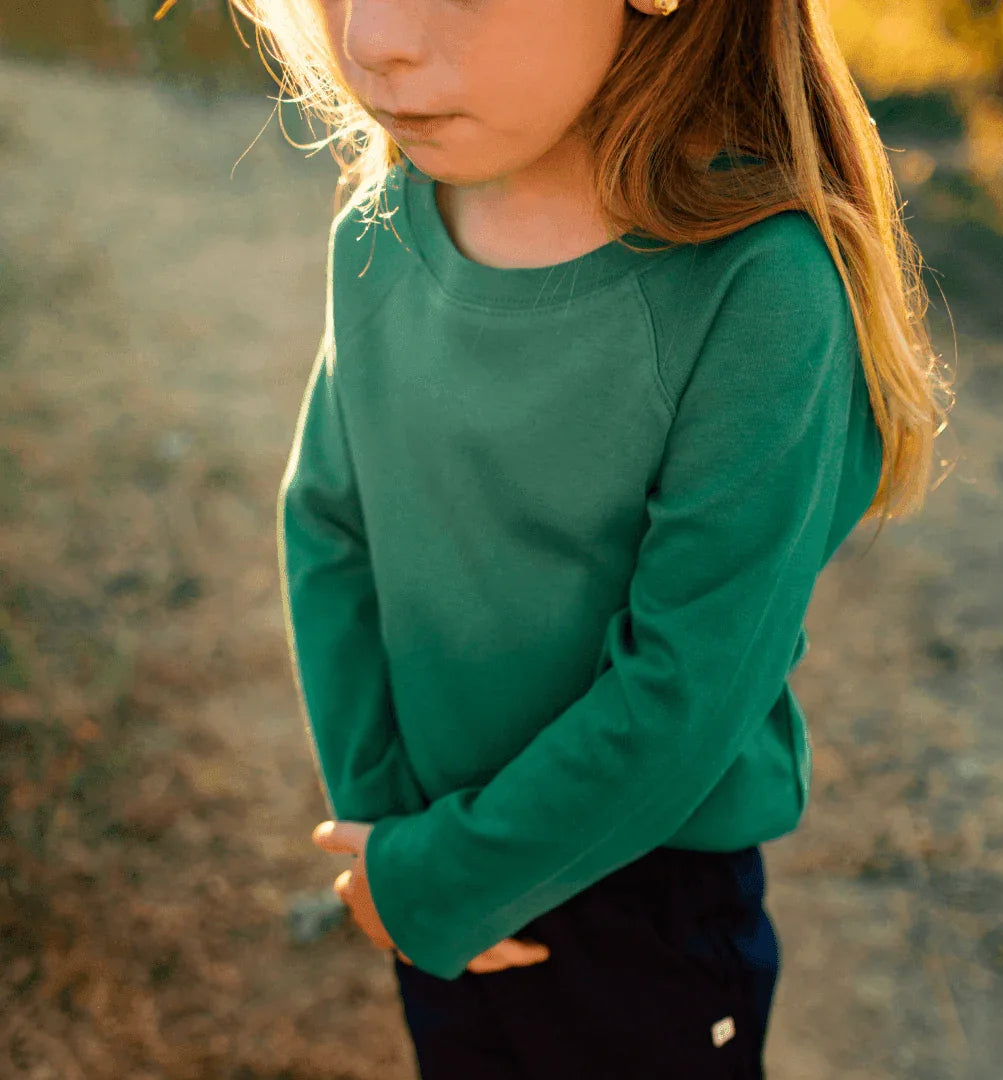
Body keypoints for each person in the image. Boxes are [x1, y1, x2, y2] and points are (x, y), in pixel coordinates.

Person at [231, 0, 954, 1075]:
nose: (370, 36)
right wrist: (399, 843)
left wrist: (455, 873)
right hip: (429, 854)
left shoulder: (762, 286)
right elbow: (329, 527)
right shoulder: (379, 221)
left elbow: (686, 688)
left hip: (647, 911)